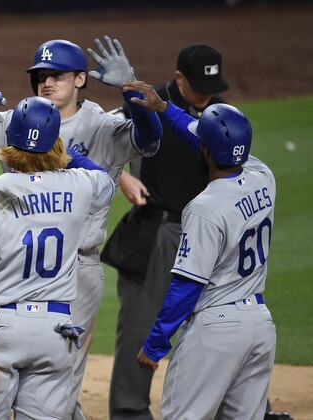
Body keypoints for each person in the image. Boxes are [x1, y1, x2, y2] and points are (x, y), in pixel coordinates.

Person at [0, 36, 162, 419]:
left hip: (78, 271)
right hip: (14, 264)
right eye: (40, 76)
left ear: (80, 80)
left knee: (62, 378)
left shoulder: (102, 125)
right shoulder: (13, 120)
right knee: (52, 376)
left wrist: (129, 89)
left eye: (56, 75)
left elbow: (150, 141)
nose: (46, 82)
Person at [0, 96, 116, 419]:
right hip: (56, 332)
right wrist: (64, 154)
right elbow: (106, 182)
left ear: (9, 139)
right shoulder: (80, 187)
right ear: (57, 142)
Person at [124, 80, 276, 420]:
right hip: (259, 326)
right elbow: (206, 139)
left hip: (216, 330)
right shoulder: (262, 175)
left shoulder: (204, 207)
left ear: (205, 150)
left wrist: (156, 343)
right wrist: (164, 108)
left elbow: (187, 284)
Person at [100, 43, 229, 420]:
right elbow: (97, 138)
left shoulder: (221, 111)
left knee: (221, 325)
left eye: (212, 86)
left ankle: (241, 408)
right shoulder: (149, 99)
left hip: (209, 234)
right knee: (140, 324)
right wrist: (121, 174)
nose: (207, 95)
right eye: (199, 87)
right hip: (159, 229)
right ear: (178, 79)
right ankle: (129, 409)